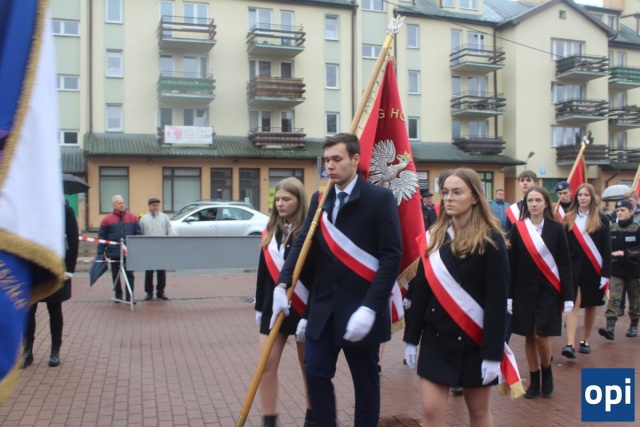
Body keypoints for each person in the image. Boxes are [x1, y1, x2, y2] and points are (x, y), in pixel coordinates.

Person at [271, 133, 402, 427]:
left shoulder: (379, 199)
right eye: (326, 160)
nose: (329, 166)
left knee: (365, 384)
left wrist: (370, 307)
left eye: (337, 159)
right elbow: (303, 245)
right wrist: (282, 283)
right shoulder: (320, 199)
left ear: (355, 160)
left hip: (361, 309)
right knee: (315, 373)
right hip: (323, 309)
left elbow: (391, 257)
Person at [404, 167, 511, 426]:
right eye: (445, 192)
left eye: (457, 192)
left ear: (474, 197)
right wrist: (411, 339)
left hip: (474, 340)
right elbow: (421, 292)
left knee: (478, 412)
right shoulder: (433, 238)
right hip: (436, 338)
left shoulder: (491, 240)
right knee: (431, 411)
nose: (449, 198)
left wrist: (493, 353)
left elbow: (496, 301)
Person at [254, 177, 315, 427]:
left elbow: (317, 276)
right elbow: (262, 273)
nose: (280, 203)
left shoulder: (310, 233)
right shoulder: (270, 232)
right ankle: (269, 419)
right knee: (266, 364)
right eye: (277, 199)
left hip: (304, 307)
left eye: (286, 199)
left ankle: (312, 417)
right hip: (273, 306)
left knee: (308, 367)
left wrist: (311, 314)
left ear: (299, 201)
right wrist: (259, 307)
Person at [508, 186, 573, 398]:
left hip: (549, 290)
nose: (534, 204)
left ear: (546, 203)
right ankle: (534, 379)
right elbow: (511, 264)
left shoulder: (557, 228)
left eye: (538, 200)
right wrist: (509, 296)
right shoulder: (518, 228)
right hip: (524, 291)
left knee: (541, 336)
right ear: (526, 204)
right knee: (529, 335)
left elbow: (565, 264)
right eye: (530, 201)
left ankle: (547, 371)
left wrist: (568, 296)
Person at [23, 202, 79, 368]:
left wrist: (69, 270)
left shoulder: (64, 209)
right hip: (32, 267)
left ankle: (55, 351)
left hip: (55, 267)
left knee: (54, 309)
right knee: (28, 311)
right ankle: (27, 351)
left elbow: (73, 240)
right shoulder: (29, 207)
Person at [562, 183, 611, 358]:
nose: (583, 198)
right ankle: (570, 344)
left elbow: (606, 248)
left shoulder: (602, 219)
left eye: (586, 195)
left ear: (592, 198)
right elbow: (563, 246)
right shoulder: (568, 218)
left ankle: (585, 340)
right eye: (580, 195)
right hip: (573, 268)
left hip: (593, 268)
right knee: (573, 303)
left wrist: (606, 274)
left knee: (590, 304)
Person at [598, 200, 640, 340]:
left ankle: (633, 325)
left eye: (623, 210)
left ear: (631, 212)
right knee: (614, 298)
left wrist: (626, 253)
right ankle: (610, 327)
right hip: (616, 269)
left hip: (634, 270)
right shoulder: (612, 228)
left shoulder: (637, 228)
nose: (619, 213)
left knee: (635, 298)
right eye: (617, 211)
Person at [97, 195, 142, 303]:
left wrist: (137, 248)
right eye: (119, 203)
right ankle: (118, 295)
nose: (122, 205)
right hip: (114, 252)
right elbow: (102, 236)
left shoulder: (132, 217)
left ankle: (130, 296)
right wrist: (100, 252)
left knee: (129, 274)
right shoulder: (107, 219)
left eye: (123, 202)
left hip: (129, 252)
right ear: (114, 205)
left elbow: (138, 234)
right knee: (115, 274)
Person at [139, 197, 173, 301]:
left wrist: (169, 244)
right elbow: (140, 233)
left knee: (161, 271)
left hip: (161, 248)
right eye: (154, 205)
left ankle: (160, 292)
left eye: (157, 205)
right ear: (149, 206)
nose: (156, 207)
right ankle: (149, 292)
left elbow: (169, 231)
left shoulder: (164, 217)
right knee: (149, 271)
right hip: (149, 249)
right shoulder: (144, 219)